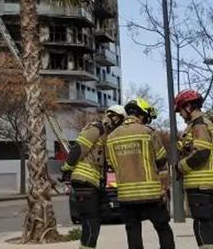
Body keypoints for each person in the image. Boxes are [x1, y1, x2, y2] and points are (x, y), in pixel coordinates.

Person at [106, 98, 174, 249]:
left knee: (133, 232)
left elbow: (110, 163)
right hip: (151, 194)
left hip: (126, 196)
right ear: (141, 115)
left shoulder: (111, 137)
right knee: (163, 229)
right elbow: (161, 159)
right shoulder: (148, 132)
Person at [61, 104, 127, 249]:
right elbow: (78, 149)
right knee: (91, 224)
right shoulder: (96, 128)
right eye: (120, 122)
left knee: (96, 222)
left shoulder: (105, 137)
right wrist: (67, 170)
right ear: (114, 118)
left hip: (93, 184)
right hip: (85, 182)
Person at [175, 89, 213, 249]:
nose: (180, 114)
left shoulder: (199, 124)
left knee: (203, 225)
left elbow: (202, 153)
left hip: (201, 184)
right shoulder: (197, 124)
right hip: (203, 185)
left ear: (188, 107)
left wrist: (180, 167)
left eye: (180, 110)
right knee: (204, 223)